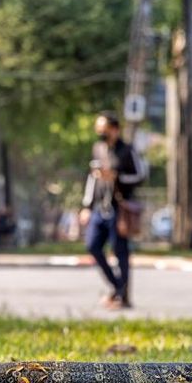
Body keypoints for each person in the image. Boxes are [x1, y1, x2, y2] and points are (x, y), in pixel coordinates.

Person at [79, 112, 143, 309]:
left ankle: (122, 297)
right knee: (92, 246)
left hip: (119, 208)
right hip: (99, 208)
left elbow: (139, 176)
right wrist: (86, 206)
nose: (101, 134)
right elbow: (92, 178)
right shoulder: (98, 148)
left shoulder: (127, 150)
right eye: (98, 130)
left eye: (104, 130)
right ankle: (117, 287)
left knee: (119, 251)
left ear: (115, 129)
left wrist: (117, 176)